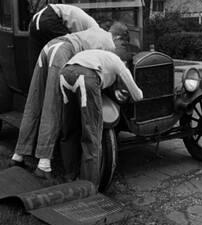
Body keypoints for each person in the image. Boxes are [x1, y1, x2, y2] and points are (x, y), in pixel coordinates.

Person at [10, 26, 115, 179]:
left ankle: (18, 155)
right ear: (118, 37)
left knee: (35, 101)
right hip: (63, 51)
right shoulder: (110, 43)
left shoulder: (94, 30)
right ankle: (43, 165)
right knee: (53, 105)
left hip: (49, 46)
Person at [59, 49, 143, 186]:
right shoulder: (118, 63)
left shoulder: (100, 54)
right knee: (92, 135)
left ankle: (69, 175)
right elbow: (137, 95)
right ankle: (89, 184)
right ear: (125, 62)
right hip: (86, 77)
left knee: (69, 127)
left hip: (65, 74)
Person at [28, 4, 99, 72]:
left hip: (35, 20)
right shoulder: (95, 30)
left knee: (37, 63)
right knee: (65, 54)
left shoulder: (89, 25)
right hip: (50, 17)